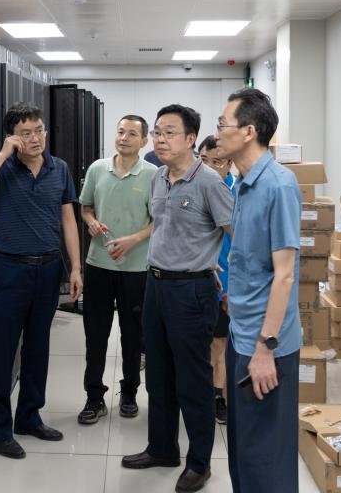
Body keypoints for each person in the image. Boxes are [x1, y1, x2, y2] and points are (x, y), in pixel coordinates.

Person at [121, 105, 234, 493]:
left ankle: (199, 463)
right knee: (157, 375)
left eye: (169, 133)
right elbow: (160, 226)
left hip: (191, 290)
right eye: (157, 132)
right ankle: (162, 448)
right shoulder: (158, 177)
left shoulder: (210, 183)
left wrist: (228, 280)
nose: (160, 139)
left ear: (190, 139)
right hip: (156, 285)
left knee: (193, 380)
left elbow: (237, 234)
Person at [0, 102, 84, 460]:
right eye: (26, 133)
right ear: (12, 136)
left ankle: (29, 417)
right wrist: (3, 154)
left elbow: (68, 220)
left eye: (39, 130)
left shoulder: (59, 168)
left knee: (37, 347)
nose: (35, 138)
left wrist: (76, 268)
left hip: (48, 269)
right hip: (10, 269)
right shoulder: (1, 167)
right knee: (3, 351)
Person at [214, 88, 302, 493]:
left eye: (223, 125)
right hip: (242, 334)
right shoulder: (242, 183)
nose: (217, 133)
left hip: (266, 345)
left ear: (249, 132)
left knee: (266, 455)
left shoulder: (278, 186)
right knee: (245, 448)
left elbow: (284, 275)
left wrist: (266, 348)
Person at [77, 115, 157, 424]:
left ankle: (129, 393)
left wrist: (133, 239)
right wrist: (91, 221)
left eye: (132, 134)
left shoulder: (153, 175)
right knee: (95, 335)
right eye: (121, 131)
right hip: (99, 264)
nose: (124, 137)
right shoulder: (98, 169)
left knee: (133, 336)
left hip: (136, 268)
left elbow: (159, 220)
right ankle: (94, 397)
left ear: (144, 141)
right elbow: (85, 207)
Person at [198, 135, 235, 425]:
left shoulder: (237, 193)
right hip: (194, 280)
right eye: (204, 161)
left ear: (230, 164)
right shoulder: (192, 188)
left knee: (219, 345)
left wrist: (229, 290)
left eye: (217, 162)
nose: (210, 167)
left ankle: (218, 398)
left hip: (225, 283)